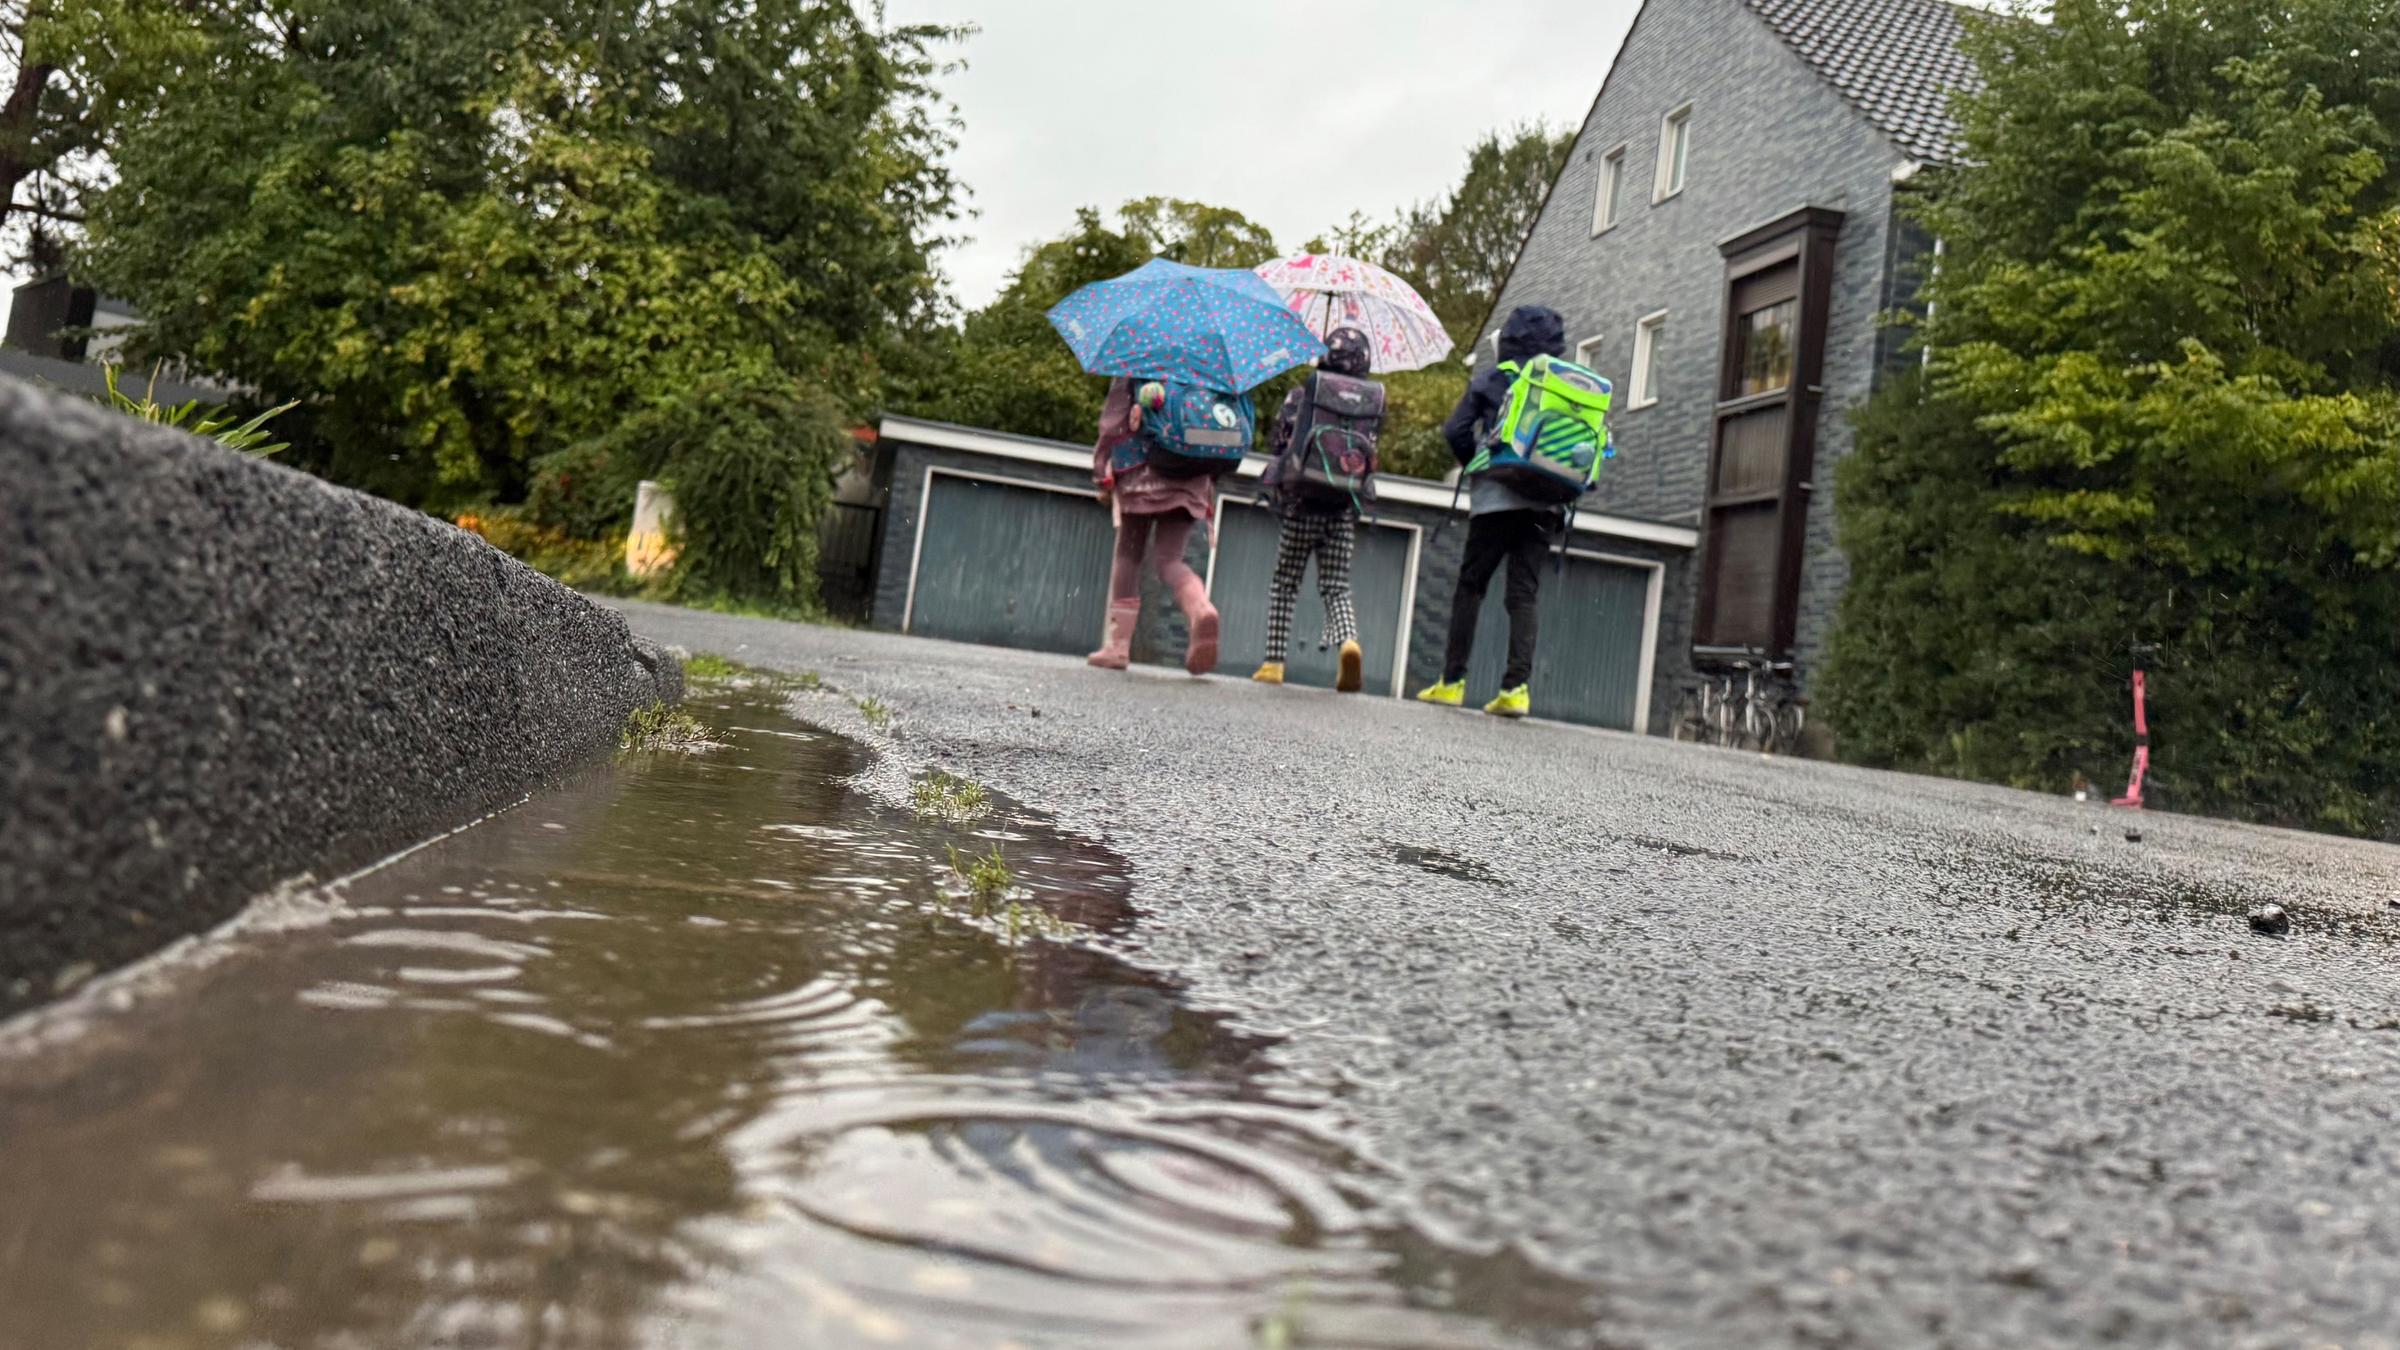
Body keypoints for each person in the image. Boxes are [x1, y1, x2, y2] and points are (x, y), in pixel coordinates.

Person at [1417, 304, 1569, 718]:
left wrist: (1476, 465)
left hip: (1496, 499)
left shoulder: (1492, 379)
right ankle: (1516, 689)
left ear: (1509, 340)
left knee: (1472, 586)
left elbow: (1456, 430)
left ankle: (1452, 683)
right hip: (1547, 502)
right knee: (1523, 593)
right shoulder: (1565, 384)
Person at [1252, 326, 1378, 693]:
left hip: (1302, 501)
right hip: (1342, 505)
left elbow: (1279, 441)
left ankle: (1274, 663)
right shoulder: (1371, 399)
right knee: (1336, 586)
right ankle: (1349, 642)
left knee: (1285, 583)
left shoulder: (1306, 391)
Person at [1087, 377, 1220, 675]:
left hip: (1140, 471)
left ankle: (1118, 647)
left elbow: (1113, 423)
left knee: (1129, 555)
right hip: (1191, 473)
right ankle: (1201, 608)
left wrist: (1101, 470)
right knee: (1170, 560)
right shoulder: (1206, 362)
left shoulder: (1139, 354)